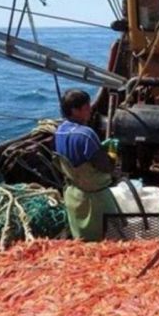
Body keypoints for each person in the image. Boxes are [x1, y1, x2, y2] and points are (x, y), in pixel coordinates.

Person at [54, 89, 119, 241]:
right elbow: (106, 167)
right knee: (108, 240)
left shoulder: (59, 131)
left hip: (74, 195)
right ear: (74, 110)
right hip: (95, 199)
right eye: (86, 107)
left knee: (81, 241)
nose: (90, 110)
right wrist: (112, 152)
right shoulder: (86, 134)